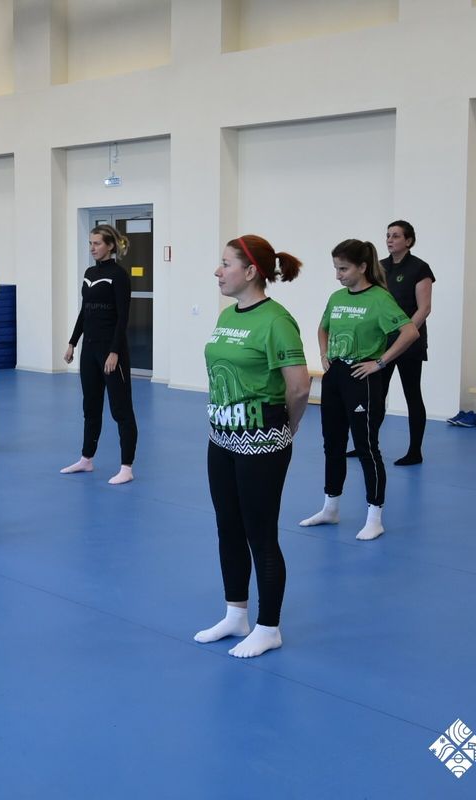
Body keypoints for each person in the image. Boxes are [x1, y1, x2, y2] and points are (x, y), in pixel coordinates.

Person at [194, 235, 309, 659]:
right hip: (221, 437)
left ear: (250, 271)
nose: (218, 271)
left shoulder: (277, 320)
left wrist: (285, 429)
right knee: (228, 527)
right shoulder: (228, 314)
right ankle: (235, 614)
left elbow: (299, 387)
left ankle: (269, 626)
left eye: (225, 263)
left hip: (261, 441)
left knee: (260, 533)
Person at [300, 239, 419, 540]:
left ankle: (374, 516)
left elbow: (409, 332)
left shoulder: (379, 298)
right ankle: (330, 508)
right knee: (332, 444)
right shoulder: (337, 297)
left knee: (366, 447)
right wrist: (324, 354)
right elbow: (323, 327)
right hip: (335, 376)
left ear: (362, 267)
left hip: (361, 378)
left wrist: (380, 363)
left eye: (343, 269)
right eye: (336, 268)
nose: (338, 275)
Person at [60, 224, 138, 485]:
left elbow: (122, 317)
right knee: (90, 406)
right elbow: (85, 311)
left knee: (121, 409)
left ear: (110, 246)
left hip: (111, 351)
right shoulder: (90, 273)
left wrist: (114, 351)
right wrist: (73, 342)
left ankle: (126, 466)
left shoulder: (119, 275)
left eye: (97, 243)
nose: (92, 248)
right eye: (90, 243)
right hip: (89, 350)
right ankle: (86, 459)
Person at [379, 220, 434, 465]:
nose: (390, 240)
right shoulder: (380, 267)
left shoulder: (420, 268)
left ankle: (415, 451)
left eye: (396, 236)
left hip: (410, 342)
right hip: (383, 342)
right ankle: (366, 444)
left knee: (412, 394)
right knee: (376, 395)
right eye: (388, 235)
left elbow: (424, 308)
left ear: (408, 241)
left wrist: (406, 334)